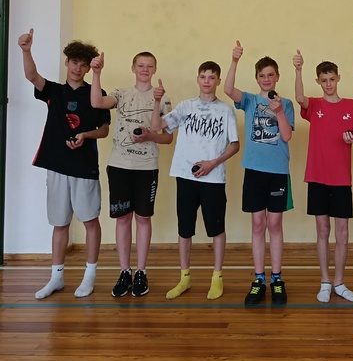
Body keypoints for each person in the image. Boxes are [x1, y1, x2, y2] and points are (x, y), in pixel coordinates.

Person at [18, 28, 110, 299]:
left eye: (83, 64)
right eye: (74, 62)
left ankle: (89, 276)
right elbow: (32, 76)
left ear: (88, 67)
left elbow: (104, 130)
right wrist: (26, 50)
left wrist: (86, 135)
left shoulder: (96, 93)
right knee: (59, 223)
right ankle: (56, 278)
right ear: (67, 62)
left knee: (90, 221)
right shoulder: (55, 92)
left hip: (84, 168)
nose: (77, 68)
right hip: (57, 166)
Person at [150, 61, 239, 300]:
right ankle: (185, 277)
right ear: (198, 79)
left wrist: (213, 163)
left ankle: (217, 277)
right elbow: (156, 126)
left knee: (216, 229)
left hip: (213, 179)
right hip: (185, 176)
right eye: (203, 76)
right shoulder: (185, 106)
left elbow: (235, 145)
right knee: (185, 228)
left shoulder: (225, 110)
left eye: (212, 77)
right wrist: (157, 101)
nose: (207, 81)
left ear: (218, 81)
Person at [90, 51, 172, 298]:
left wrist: (150, 135)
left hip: (147, 167)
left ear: (155, 69)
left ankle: (141, 272)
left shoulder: (163, 97)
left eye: (149, 66)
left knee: (143, 219)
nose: (145, 69)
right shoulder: (121, 94)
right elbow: (96, 102)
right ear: (133, 68)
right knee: (123, 219)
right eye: (141, 65)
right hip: (119, 166)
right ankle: (124, 271)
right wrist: (96, 73)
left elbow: (167, 138)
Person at [224, 41, 295, 306]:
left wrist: (279, 112)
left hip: (277, 172)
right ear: (257, 78)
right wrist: (234, 60)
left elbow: (286, 136)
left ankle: (277, 278)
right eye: (262, 75)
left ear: (277, 77)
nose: (267, 79)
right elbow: (228, 89)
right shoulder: (251, 101)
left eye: (271, 75)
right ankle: (258, 279)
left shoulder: (286, 104)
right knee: (257, 224)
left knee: (274, 224)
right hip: (254, 171)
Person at [293, 50, 353, 302]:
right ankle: (325, 281)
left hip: (341, 180)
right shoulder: (315, 105)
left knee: (342, 233)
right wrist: (298, 69)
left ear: (338, 78)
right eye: (323, 80)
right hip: (317, 177)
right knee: (322, 230)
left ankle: (339, 282)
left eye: (332, 79)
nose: (328, 84)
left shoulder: (351, 106)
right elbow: (299, 97)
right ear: (318, 81)